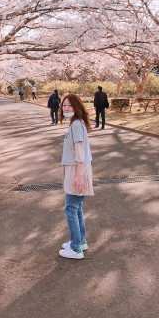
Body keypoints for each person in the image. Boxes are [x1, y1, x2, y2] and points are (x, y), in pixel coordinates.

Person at [59, 94, 94, 260]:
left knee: (71, 209)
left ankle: (75, 249)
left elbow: (80, 151)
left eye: (70, 106)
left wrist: (79, 176)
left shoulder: (76, 125)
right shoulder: (77, 123)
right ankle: (80, 242)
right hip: (77, 169)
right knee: (77, 208)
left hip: (76, 170)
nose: (66, 108)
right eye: (64, 105)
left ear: (77, 107)